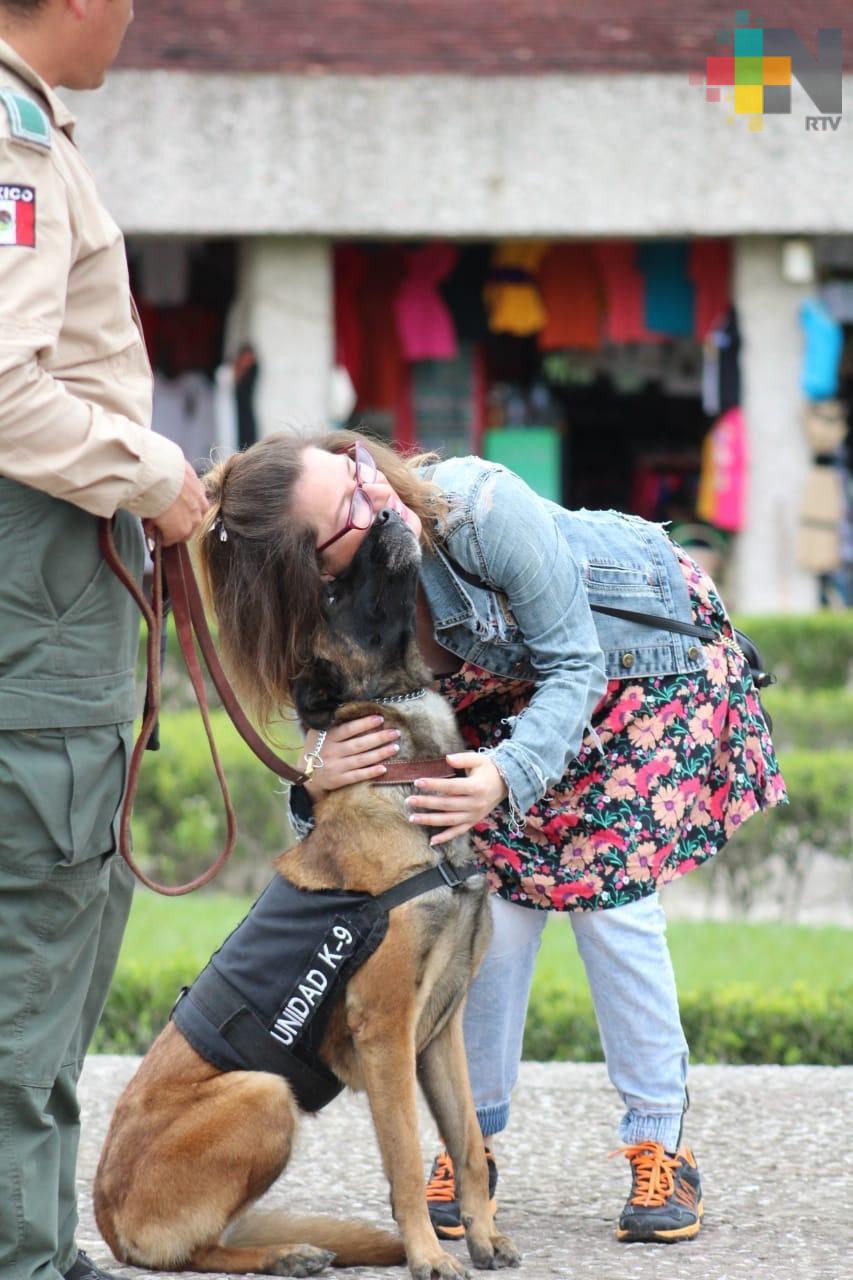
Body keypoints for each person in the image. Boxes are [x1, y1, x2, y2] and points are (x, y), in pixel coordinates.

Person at [194, 428, 787, 1246]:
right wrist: (315, 773)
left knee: (611, 911)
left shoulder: (477, 510)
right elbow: (329, 765)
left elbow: (573, 664)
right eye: (349, 512)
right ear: (309, 569)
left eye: (356, 471)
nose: (378, 494)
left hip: (634, 670)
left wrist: (506, 775)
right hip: (506, 707)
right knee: (491, 918)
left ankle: (659, 1144)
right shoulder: (314, 605)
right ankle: (473, 1146)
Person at [0, 5, 208, 1280]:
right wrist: (153, 471)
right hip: (36, 580)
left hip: (45, 578)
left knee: (59, 911)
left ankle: (32, 1227)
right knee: (40, 908)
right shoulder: (13, 138)